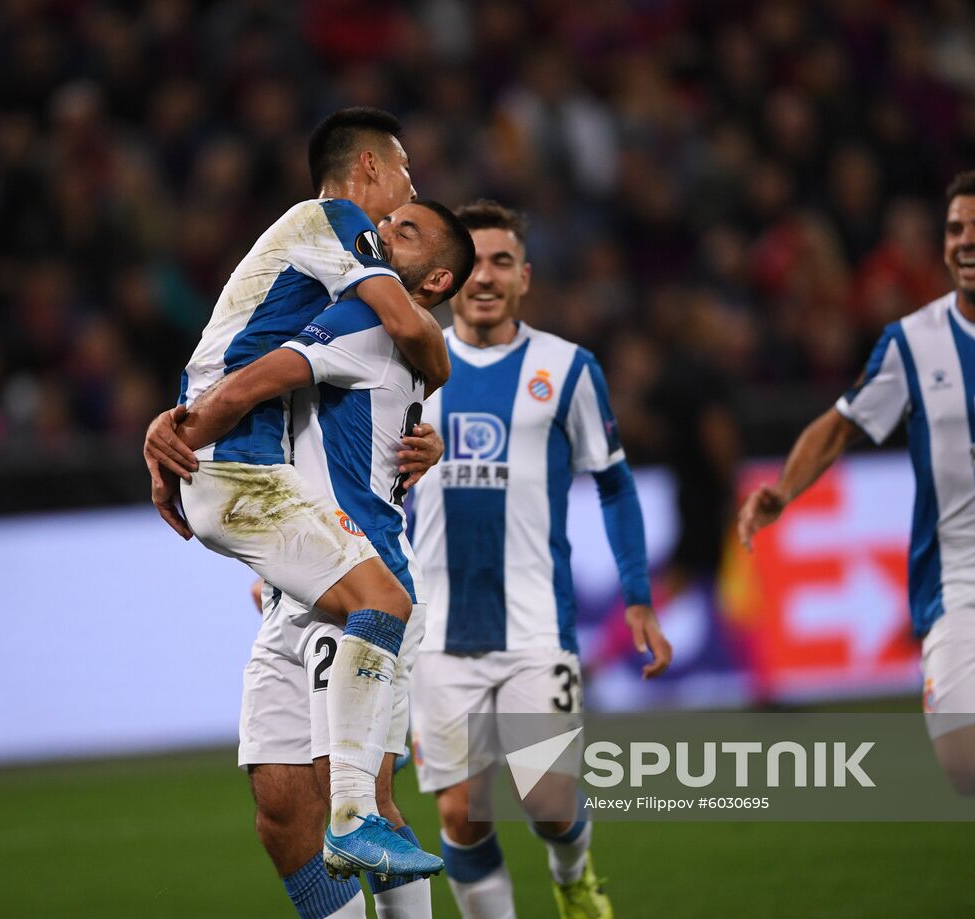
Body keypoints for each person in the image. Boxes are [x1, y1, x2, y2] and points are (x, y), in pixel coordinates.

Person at [737, 171, 975, 919]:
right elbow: (842, 423)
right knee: (972, 769)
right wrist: (783, 490)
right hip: (960, 580)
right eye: (954, 230)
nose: (964, 242)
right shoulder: (912, 342)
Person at [143, 108, 451, 879]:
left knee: (286, 809)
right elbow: (398, 320)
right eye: (405, 173)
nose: (408, 193)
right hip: (234, 462)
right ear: (372, 170)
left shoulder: (319, 280)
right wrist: (187, 426)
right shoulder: (336, 222)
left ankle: (352, 814)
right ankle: (351, 816)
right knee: (382, 604)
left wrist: (181, 419)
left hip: (250, 472)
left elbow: (404, 343)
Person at [406, 200, 674, 919]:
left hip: (535, 626)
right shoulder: (408, 363)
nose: (485, 277)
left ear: (524, 277)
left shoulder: (568, 368)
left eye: (501, 262)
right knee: (463, 814)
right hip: (434, 632)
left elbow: (615, 483)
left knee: (550, 799)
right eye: (473, 262)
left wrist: (638, 596)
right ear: (446, 274)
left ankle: (573, 872)